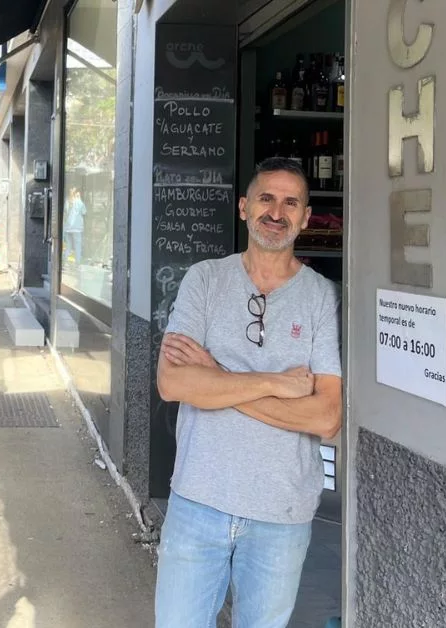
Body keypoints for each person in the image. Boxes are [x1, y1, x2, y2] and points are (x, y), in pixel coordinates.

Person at [154, 157, 343, 628]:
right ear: (244, 208)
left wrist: (216, 378)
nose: (276, 212)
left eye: (290, 202)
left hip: (281, 511)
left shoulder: (322, 296)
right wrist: (275, 384)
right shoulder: (205, 279)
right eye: (266, 198)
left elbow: (325, 417)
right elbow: (173, 382)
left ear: (304, 216)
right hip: (198, 500)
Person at [64, 188, 86, 264]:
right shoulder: (79, 202)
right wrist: (79, 200)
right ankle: (78, 262)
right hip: (77, 228)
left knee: (69, 246)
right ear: (77, 194)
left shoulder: (67, 201)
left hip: (68, 227)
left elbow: (66, 211)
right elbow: (84, 212)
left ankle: (65, 261)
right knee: (77, 246)